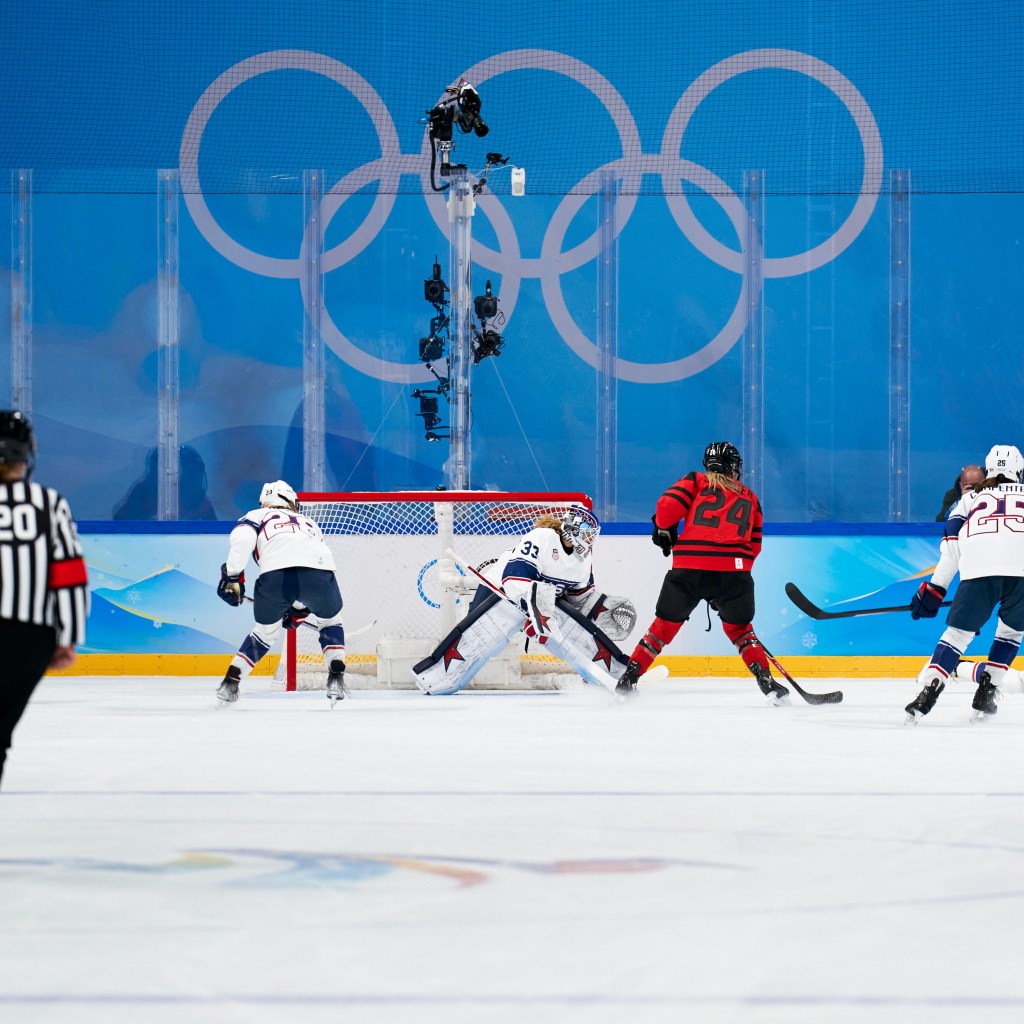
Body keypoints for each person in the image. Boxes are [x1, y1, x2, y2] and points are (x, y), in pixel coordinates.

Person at [615, 441, 789, 704]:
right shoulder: (750, 497)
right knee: (741, 631)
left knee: (661, 630)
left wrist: (663, 527)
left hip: (688, 570)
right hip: (734, 573)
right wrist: (732, 573)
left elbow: (666, 507)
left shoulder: (696, 481)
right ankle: (766, 680)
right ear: (734, 467)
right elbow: (755, 545)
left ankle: (629, 679)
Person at [412, 506, 637, 694]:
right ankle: (434, 680)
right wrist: (536, 611)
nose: (590, 540)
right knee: (478, 641)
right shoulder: (542, 538)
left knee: (577, 636)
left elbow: (579, 601)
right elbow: (515, 579)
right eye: (587, 533)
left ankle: (616, 677)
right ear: (573, 528)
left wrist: (600, 609)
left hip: (541, 605)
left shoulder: (583, 561)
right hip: (500, 593)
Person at [0, 411, 89, 785]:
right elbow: (69, 573)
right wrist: (68, 636)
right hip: (29, 636)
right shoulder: (48, 503)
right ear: (27, 455)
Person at [905, 444, 1024, 723]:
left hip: (979, 570)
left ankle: (929, 690)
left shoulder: (969, 500)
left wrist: (935, 591)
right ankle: (987, 692)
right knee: (1010, 634)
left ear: (988, 470)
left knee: (957, 636)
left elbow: (951, 547)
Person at [216, 480, 347, 706]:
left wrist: (233, 576)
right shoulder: (309, 522)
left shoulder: (257, 515)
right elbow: (308, 567)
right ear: (290, 500)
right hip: (321, 574)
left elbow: (242, 540)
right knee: (331, 620)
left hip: (276, 577)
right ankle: (336, 674)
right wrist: (298, 609)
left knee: (265, 633)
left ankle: (231, 680)